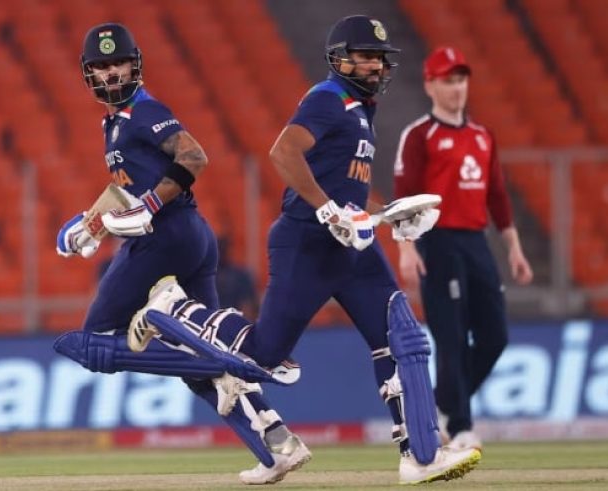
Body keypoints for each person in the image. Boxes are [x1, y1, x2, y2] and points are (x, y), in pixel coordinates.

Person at [128, 16, 481, 485]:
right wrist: (330, 211)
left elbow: (347, 191)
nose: (376, 65)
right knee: (262, 354)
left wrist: (387, 212)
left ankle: (420, 454)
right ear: (340, 58)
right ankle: (175, 310)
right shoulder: (328, 98)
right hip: (308, 243)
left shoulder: (360, 109)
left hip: (352, 247)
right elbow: (283, 152)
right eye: (366, 55)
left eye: (380, 57)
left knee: (404, 337)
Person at [52, 23, 311, 485]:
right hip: (191, 237)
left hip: (164, 238)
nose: (112, 74)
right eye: (102, 67)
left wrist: (148, 205)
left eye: (119, 64)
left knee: (88, 342)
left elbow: (194, 158)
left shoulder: (143, 110)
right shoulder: (115, 122)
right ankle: (278, 445)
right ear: (89, 74)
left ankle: (162, 314)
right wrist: (89, 225)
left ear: (136, 65)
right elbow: (128, 192)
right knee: (203, 367)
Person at [393, 46, 534, 451]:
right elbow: (405, 194)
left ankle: (438, 406)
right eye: (447, 80)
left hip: (476, 242)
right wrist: (407, 247)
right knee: (451, 336)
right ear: (429, 85)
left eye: (460, 80)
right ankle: (461, 425)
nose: (456, 88)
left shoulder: (482, 136)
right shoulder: (421, 135)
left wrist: (514, 248)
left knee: (494, 336)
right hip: (438, 241)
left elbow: (498, 196)